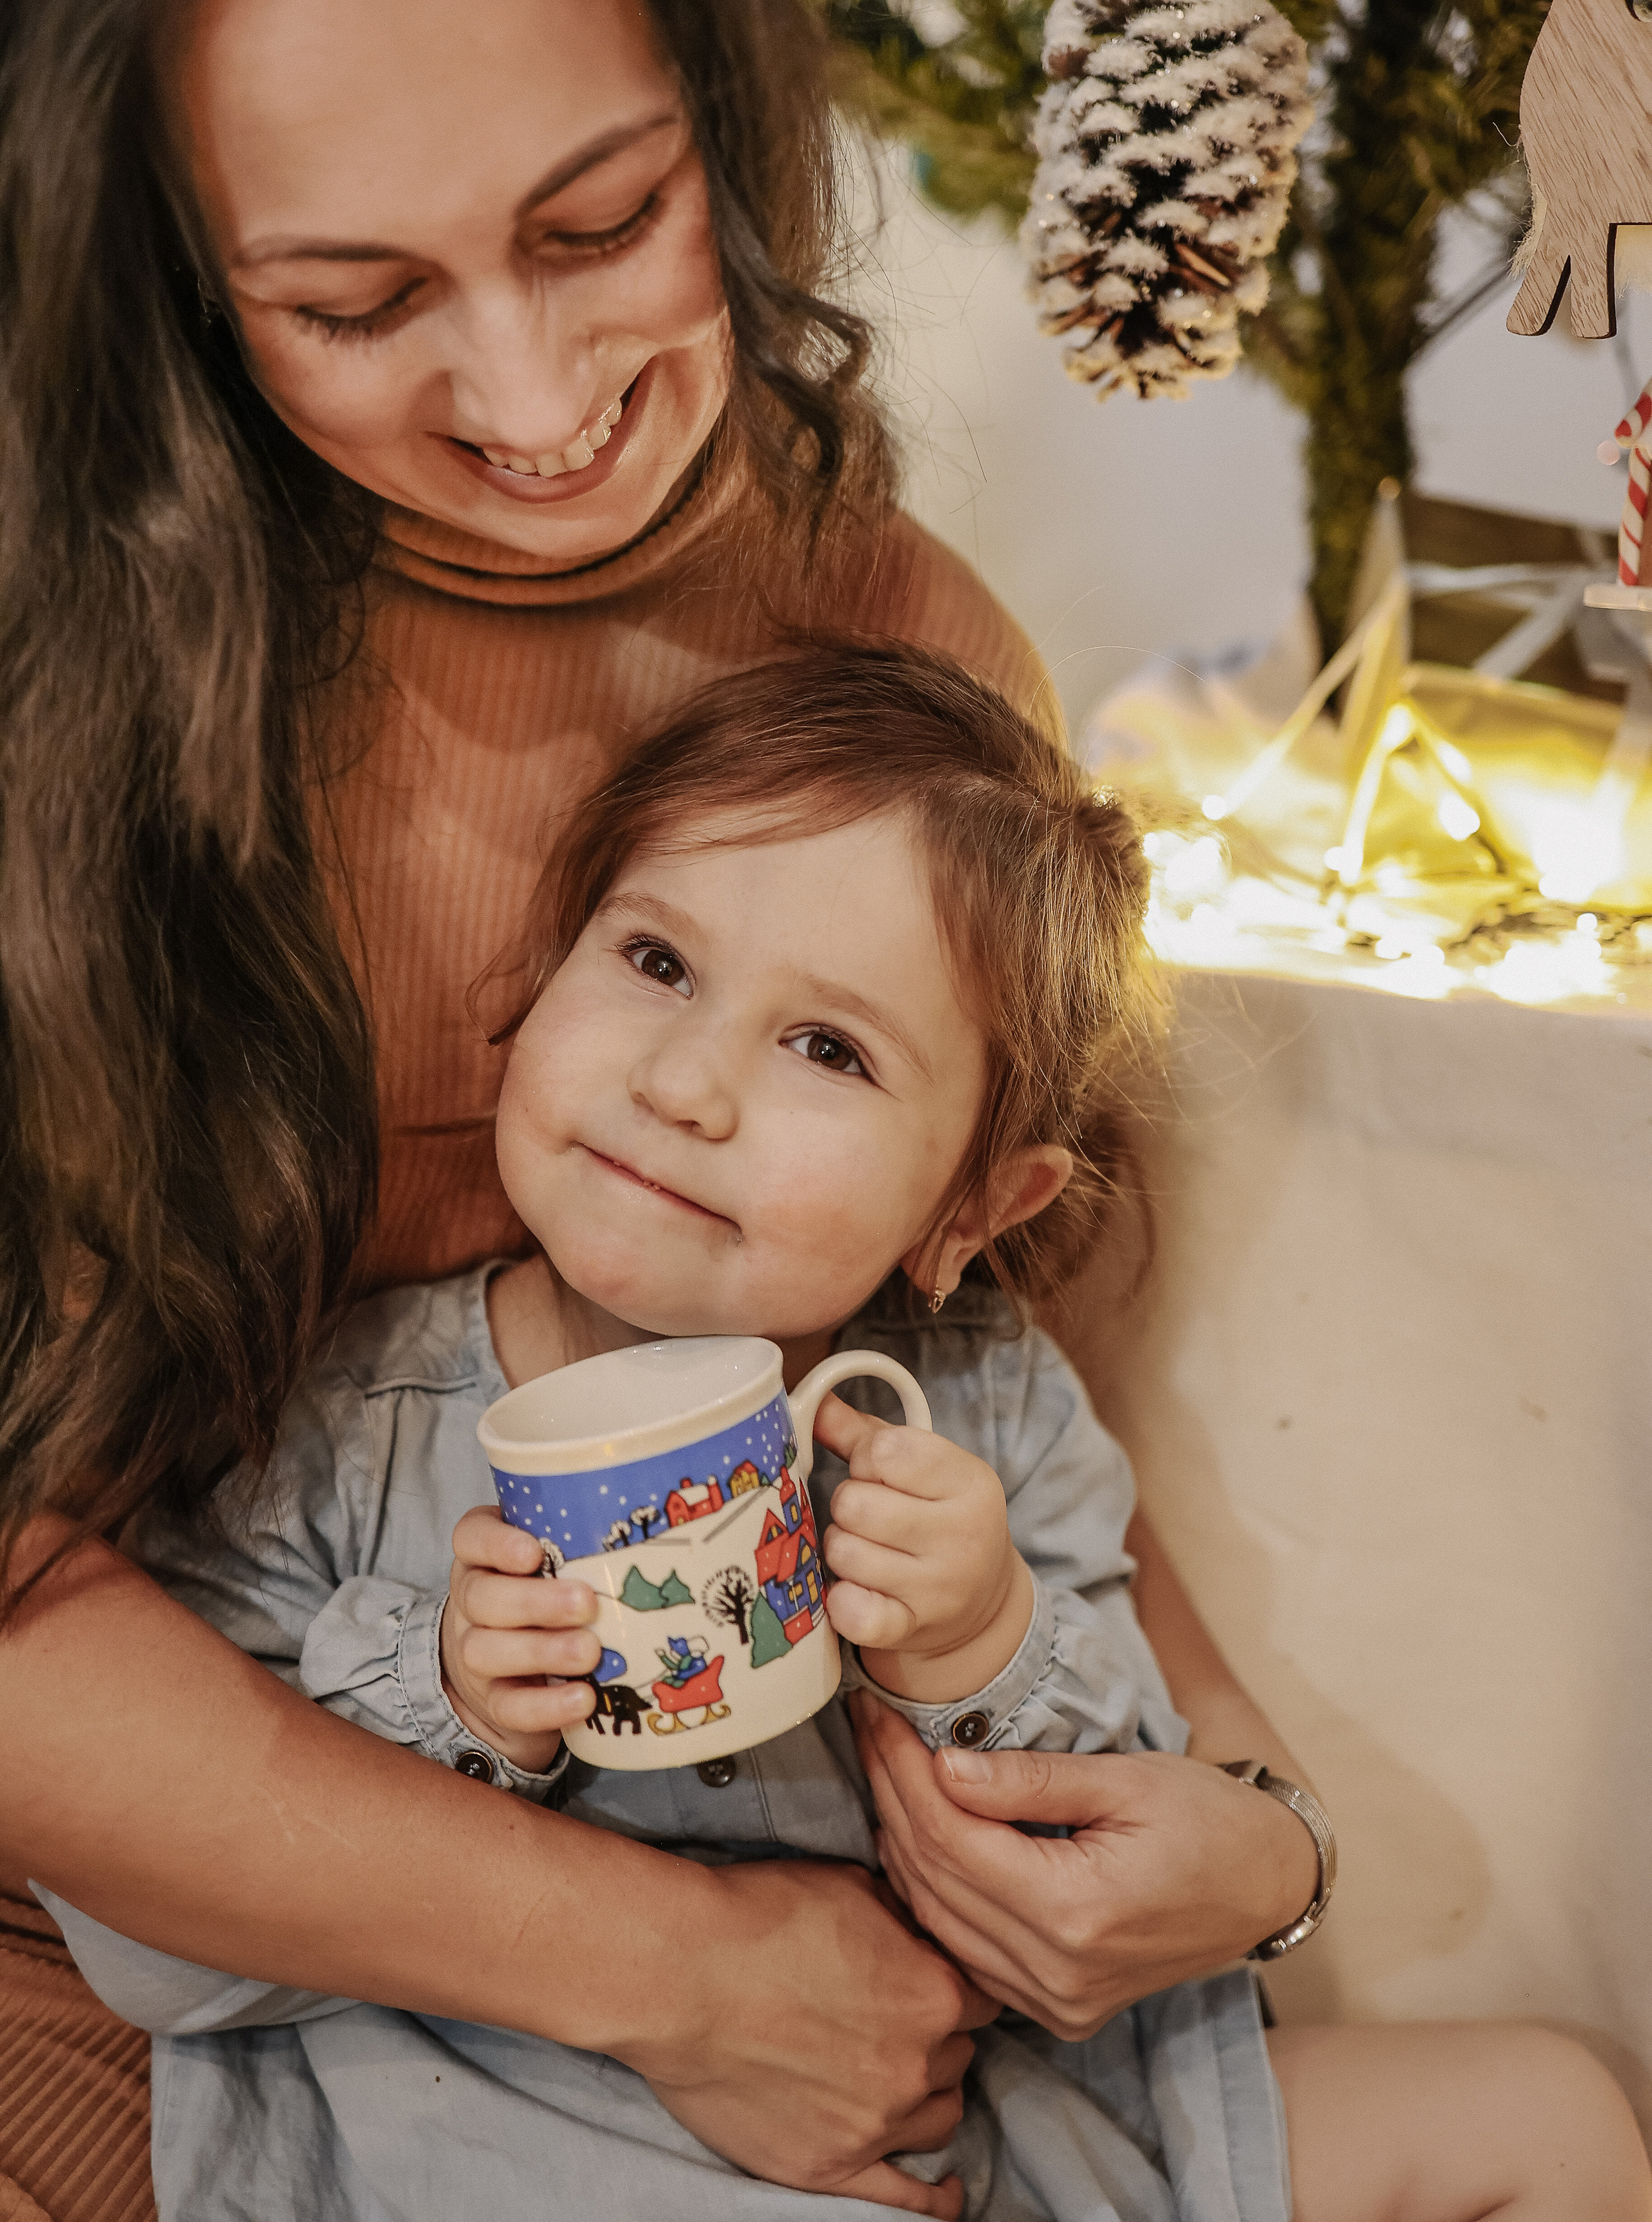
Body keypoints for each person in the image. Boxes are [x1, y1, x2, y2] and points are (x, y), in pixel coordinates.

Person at [0, 0, 1397, 2209]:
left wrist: (1252, 1827)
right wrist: (679, 1981)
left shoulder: (897, 654)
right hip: (180, 1997)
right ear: (161, 279)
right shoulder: (69, 704)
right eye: (353, 302)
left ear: (726, 93)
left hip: (827, 2030)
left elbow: (983, 1356)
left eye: (604, 219)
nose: (539, 412)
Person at [41, 645, 1652, 2222]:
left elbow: (1133, 1824)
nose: (687, 1084)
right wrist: (454, 1710)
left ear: (971, 1203)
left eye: (827, 1048)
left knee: (1550, 2116)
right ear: (538, 971)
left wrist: (981, 1639)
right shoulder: (334, 1425)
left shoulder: (980, 1396)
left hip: (1010, 2134)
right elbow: (150, 1942)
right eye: (656, 962)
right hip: (522, 2155)